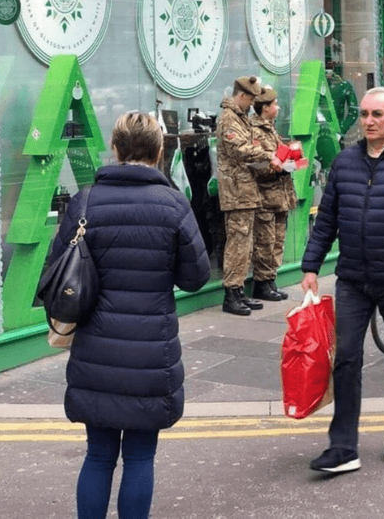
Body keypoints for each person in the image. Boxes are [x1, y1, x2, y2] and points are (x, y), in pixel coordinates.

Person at [49, 111, 210, 519]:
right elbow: (196, 277)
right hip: (150, 354)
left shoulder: (86, 201)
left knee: (99, 455)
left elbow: (57, 271)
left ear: (116, 149)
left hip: (95, 353)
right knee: (140, 457)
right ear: (159, 152)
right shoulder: (173, 203)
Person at [301, 86, 384, 474]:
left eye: (377, 115)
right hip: (353, 278)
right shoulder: (344, 162)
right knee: (347, 359)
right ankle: (343, 446)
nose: (368, 121)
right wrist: (309, 266)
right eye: (365, 114)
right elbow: (327, 220)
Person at [216, 75, 277, 316]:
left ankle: (239, 290)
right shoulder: (229, 118)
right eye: (251, 99)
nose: (253, 103)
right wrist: (265, 154)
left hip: (246, 188)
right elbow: (238, 149)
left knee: (245, 243)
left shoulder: (239, 117)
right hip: (236, 190)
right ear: (241, 96)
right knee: (238, 242)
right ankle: (231, 293)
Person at [249, 86, 296, 302]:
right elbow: (257, 164)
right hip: (266, 195)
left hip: (280, 195)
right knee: (265, 242)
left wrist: (291, 159)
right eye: (274, 104)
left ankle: (270, 280)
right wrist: (277, 165)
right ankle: (262, 283)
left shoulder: (270, 128)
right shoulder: (254, 130)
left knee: (277, 241)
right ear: (265, 108)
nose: (277, 107)